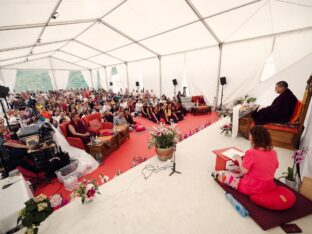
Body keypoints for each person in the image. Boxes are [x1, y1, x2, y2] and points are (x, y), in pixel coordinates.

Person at [212, 126, 279, 195]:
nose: (249, 136)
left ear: (254, 138)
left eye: (250, 135)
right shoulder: (273, 152)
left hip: (252, 187)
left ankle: (216, 174)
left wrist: (239, 159)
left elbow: (244, 170)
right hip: (268, 186)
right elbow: (275, 166)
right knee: (237, 170)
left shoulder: (251, 152)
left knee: (222, 174)